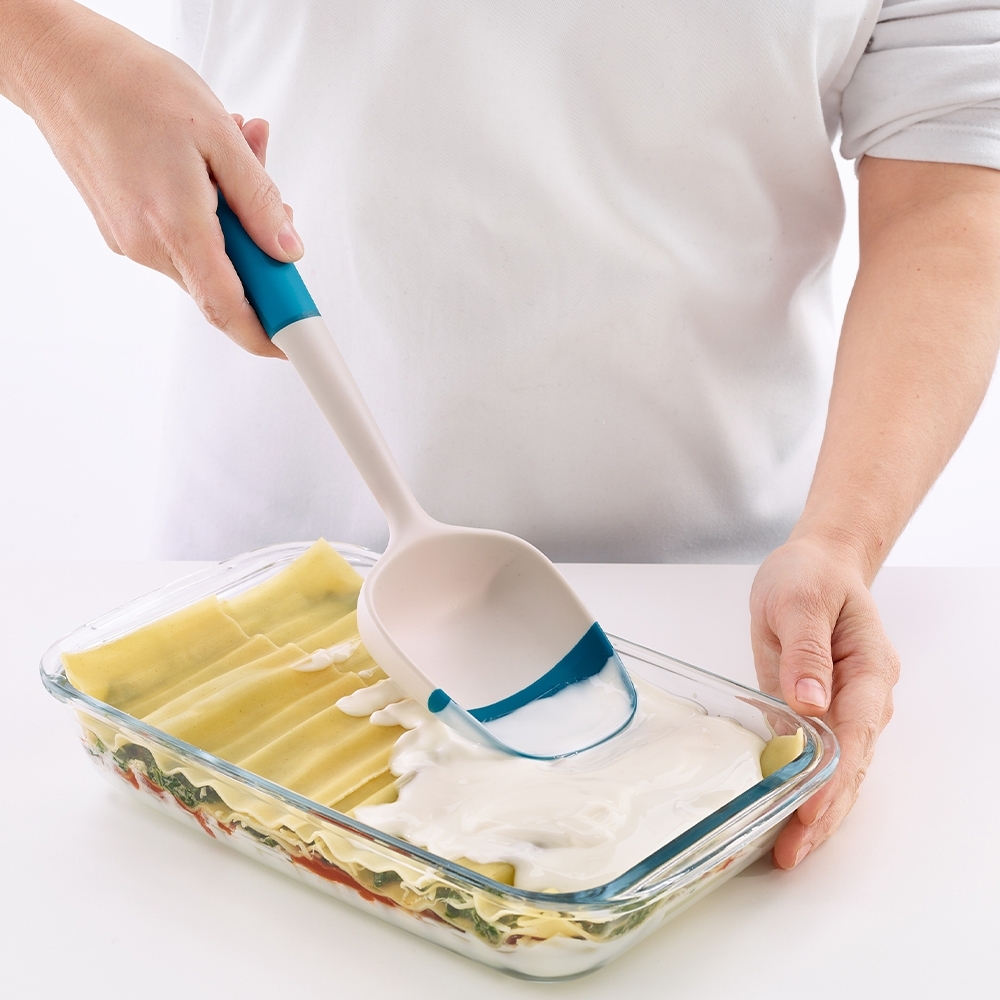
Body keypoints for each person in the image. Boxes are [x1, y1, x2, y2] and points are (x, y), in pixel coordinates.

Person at [2, 0, 999, 870]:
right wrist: (53, 52)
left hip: (722, 618)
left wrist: (841, 543)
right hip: (274, 576)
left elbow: (950, 195)